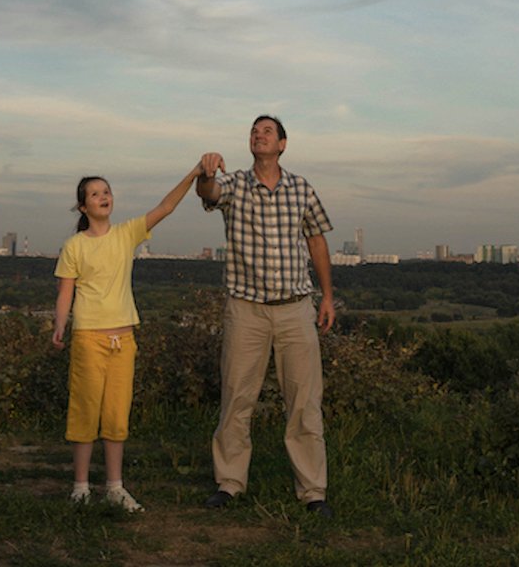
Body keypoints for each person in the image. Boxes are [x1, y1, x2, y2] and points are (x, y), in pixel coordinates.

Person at [196, 115, 336, 518]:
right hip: (246, 310)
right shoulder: (235, 184)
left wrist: (327, 296)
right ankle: (229, 483)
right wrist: (204, 173)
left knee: (305, 402)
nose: (259, 135)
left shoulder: (301, 188)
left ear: (283, 144)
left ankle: (313, 491)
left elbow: (316, 240)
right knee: (237, 398)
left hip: (295, 309)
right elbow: (209, 193)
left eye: (267, 131)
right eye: (254, 131)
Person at [52, 163, 203, 512]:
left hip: (124, 340)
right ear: (83, 206)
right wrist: (60, 325)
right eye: (95, 194)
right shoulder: (74, 246)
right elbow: (64, 294)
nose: (103, 197)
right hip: (89, 338)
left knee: (117, 415)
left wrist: (194, 174)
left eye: (106, 192)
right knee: (85, 411)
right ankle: (80, 487)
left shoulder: (126, 234)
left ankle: (115, 487)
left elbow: (165, 207)